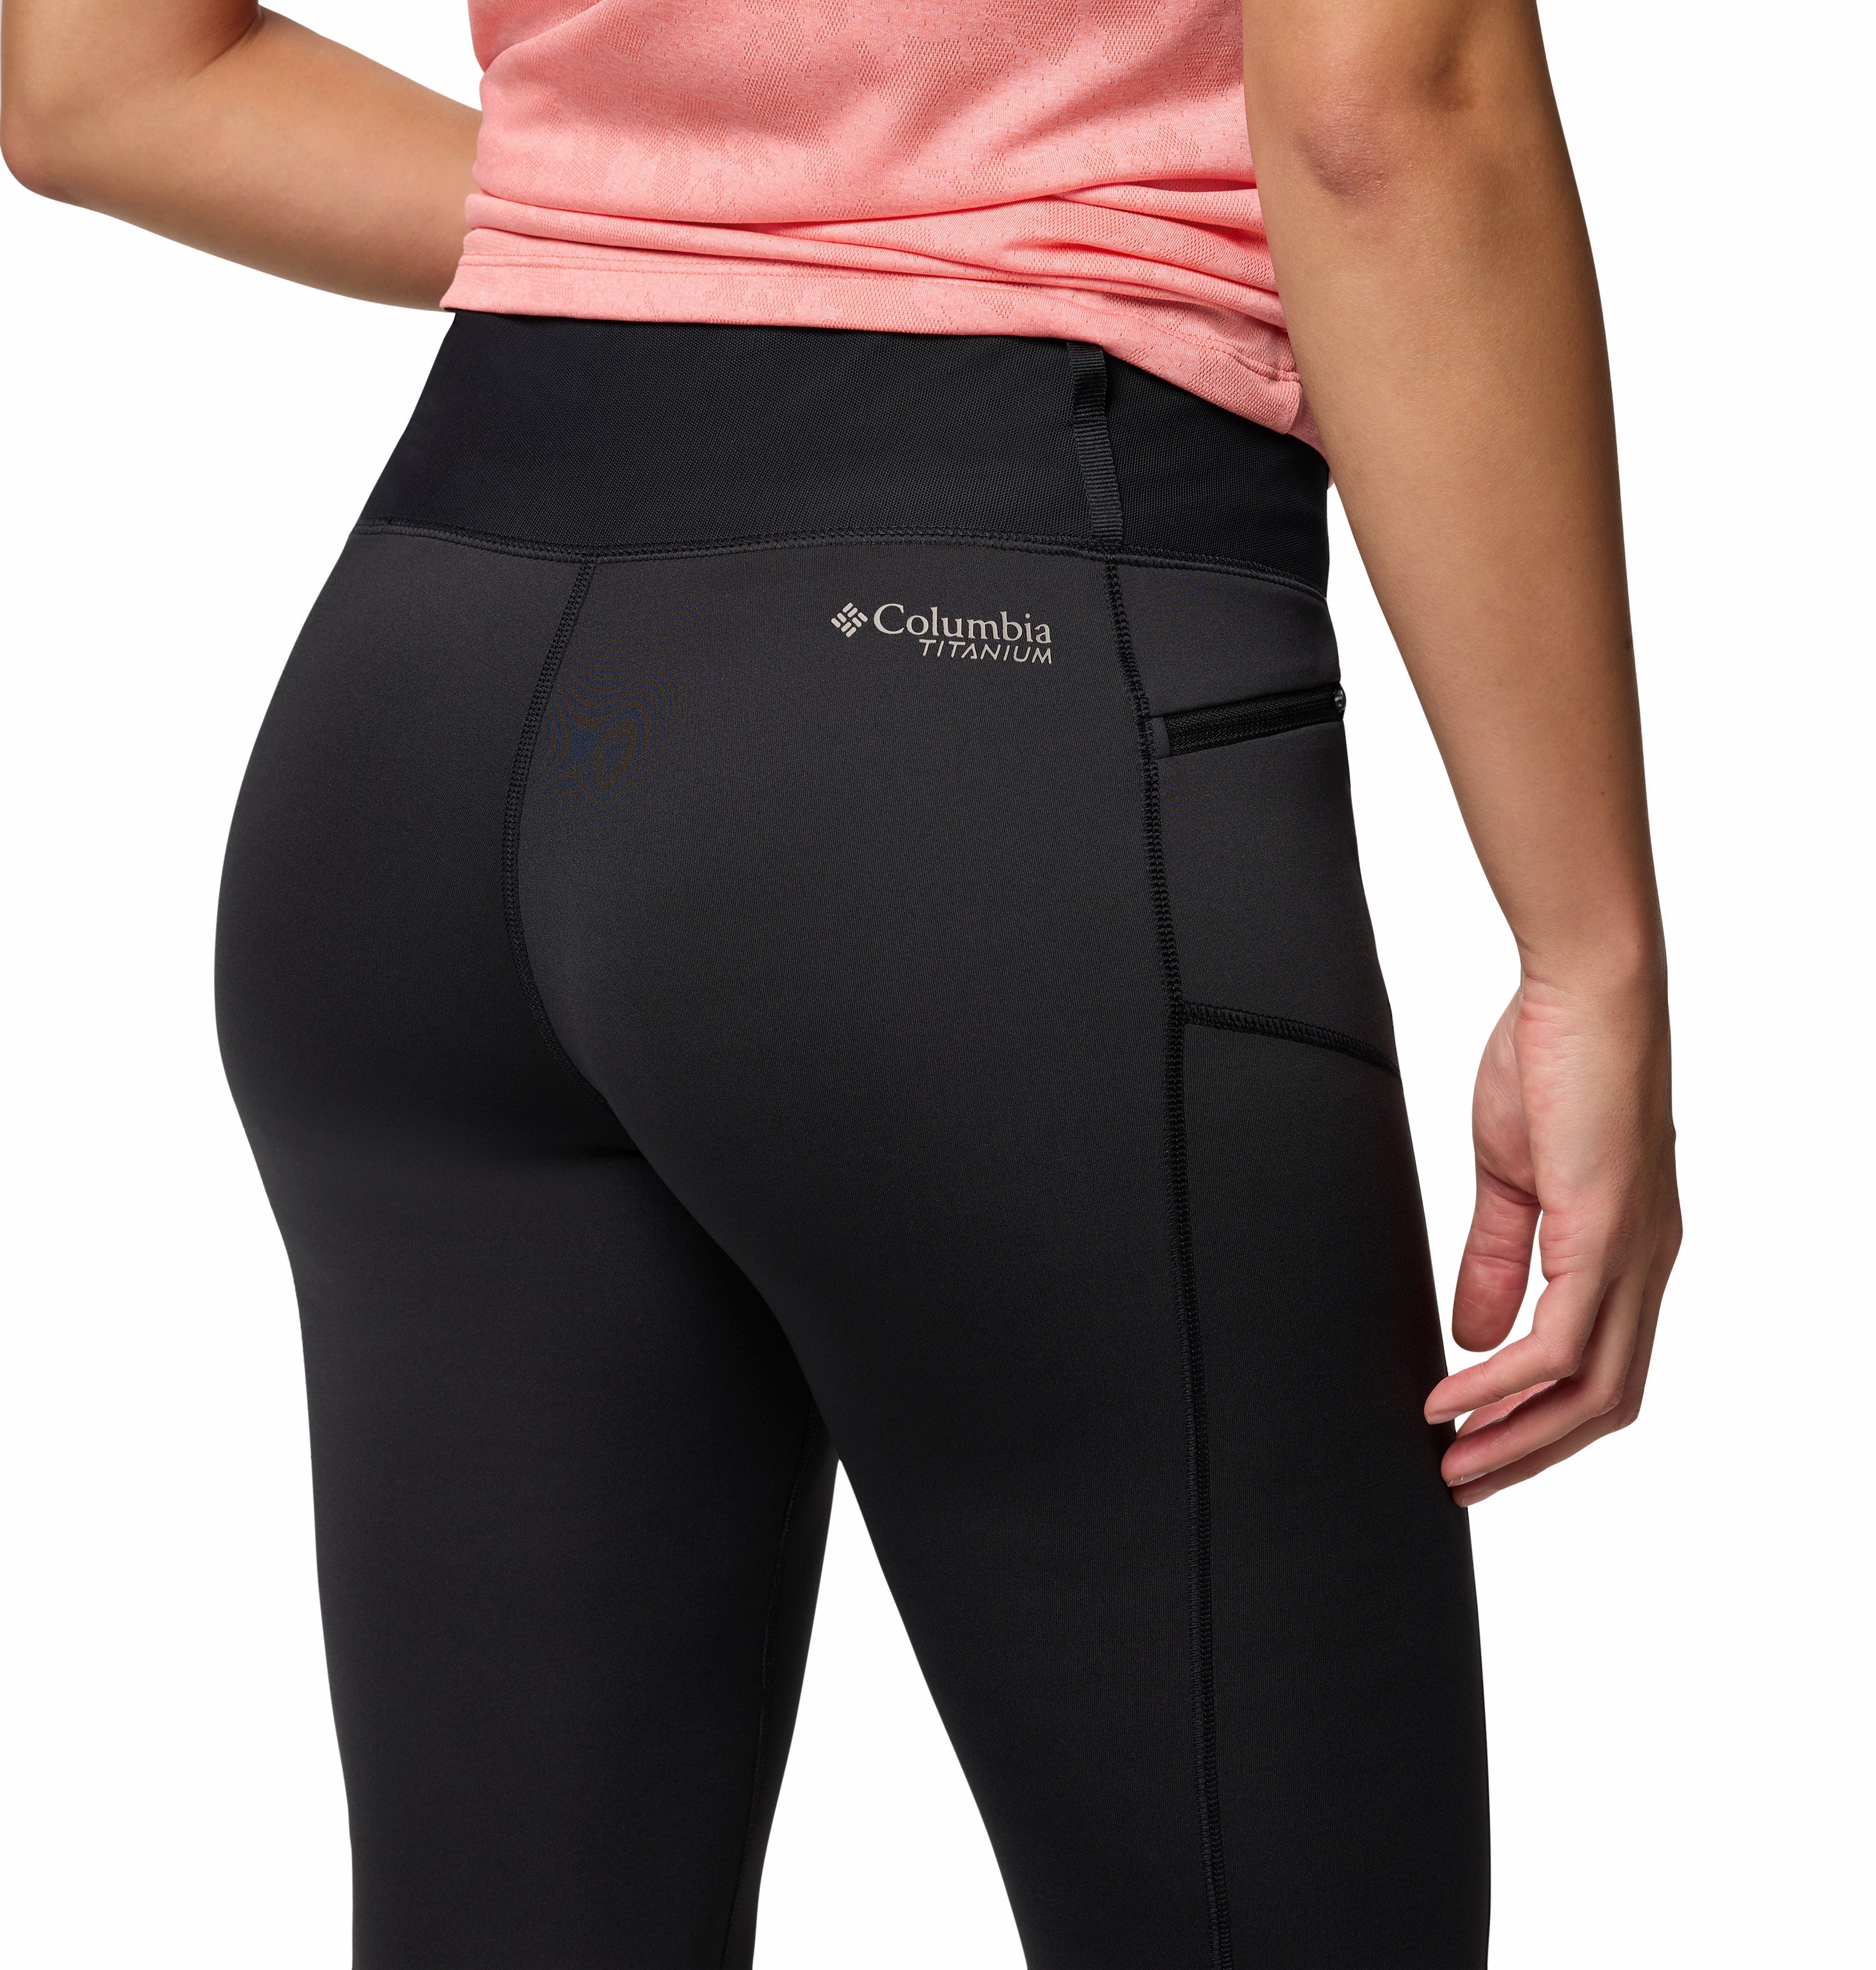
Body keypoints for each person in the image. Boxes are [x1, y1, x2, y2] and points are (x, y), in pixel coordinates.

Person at [3, 4, 1680, 1966]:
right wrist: (1587, 953)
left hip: (427, 706)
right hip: (986, 707)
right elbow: (1392, 111)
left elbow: (102, 84)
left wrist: (669, 228)